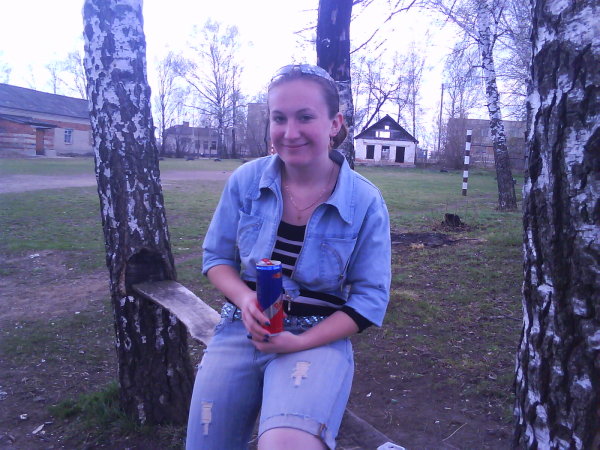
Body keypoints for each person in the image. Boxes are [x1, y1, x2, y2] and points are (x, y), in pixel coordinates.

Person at [186, 64, 391, 450]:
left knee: (285, 445)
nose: (290, 132)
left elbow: (370, 300)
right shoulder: (246, 181)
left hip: (317, 339)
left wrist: (299, 342)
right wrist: (245, 299)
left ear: (334, 123)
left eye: (305, 117)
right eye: (279, 118)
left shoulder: (364, 200)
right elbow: (216, 258)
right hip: (241, 330)